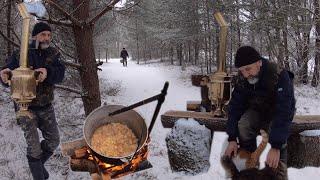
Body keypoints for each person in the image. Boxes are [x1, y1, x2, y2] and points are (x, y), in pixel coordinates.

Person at [0, 22, 65, 180]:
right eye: (43, 34)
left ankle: (37, 165)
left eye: (49, 35)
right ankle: (39, 176)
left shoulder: (53, 53)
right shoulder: (21, 53)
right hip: (25, 107)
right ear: (35, 36)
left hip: (46, 106)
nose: (47, 38)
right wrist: (5, 75)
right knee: (34, 148)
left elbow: (60, 74)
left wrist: (47, 72)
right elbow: (8, 72)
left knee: (54, 141)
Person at [224, 46, 295, 179]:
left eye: (248, 69)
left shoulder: (279, 75)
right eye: (242, 70)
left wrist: (276, 146)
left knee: (280, 138)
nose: (246, 74)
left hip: (276, 114)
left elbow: (284, 111)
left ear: (259, 62)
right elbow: (235, 107)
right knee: (244, 125)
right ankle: (250, 170)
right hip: (257, 112)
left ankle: (280, 174)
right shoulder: (242, 79)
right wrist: (232, 138)